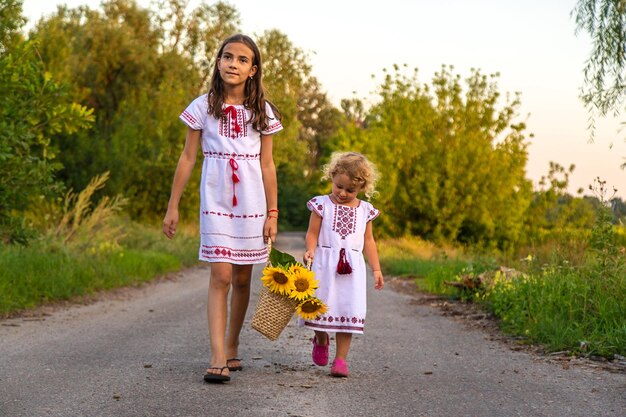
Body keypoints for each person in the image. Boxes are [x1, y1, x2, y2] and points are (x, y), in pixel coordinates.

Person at [162, 34, 282, 383]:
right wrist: (173, 206)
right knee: (222, 275)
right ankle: (216, 355)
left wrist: (272, 213)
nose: (233, 63)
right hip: (215, 197)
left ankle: (232, 342)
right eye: (227, 57)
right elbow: (187, 158)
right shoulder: (203, 106)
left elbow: (268, 165)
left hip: (252, 201)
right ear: (218, 63)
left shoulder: (262, 111)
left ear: (252, 70)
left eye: (242, 60)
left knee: (243, 277)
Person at [303, 151, 384, 378]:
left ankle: (340, 359)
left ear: (362, 188)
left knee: (347, 312)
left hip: (352, 269)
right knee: (320, 306)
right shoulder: (321, 205)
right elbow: (312, 233)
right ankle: (320, 339)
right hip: (324, 264)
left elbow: (369, 241)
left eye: (350, 190)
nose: (342, 193)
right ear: (332, 177)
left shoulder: (365, 210)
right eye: (339, 186)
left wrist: (376, 269)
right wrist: (310, 249)